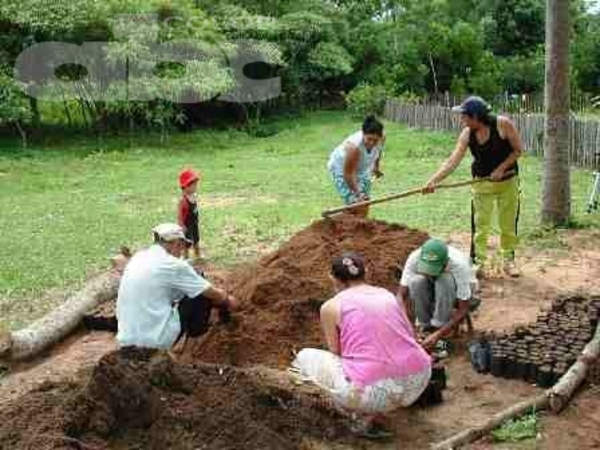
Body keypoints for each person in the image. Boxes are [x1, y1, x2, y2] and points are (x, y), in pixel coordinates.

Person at [291, 252, 431, 438]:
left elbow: (336, 351)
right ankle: (376, 410)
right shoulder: (387, 295)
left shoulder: (330, 307)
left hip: (373, 394)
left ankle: (356, 416)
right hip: (418, 379)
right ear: (367, 272)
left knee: (305, 356)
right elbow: (409, 334)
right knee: (379, 360)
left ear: (332, 278)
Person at [423, 96, 524, 277]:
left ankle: (509, 260)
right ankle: (479, 263)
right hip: (482, 183)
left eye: (465, 116)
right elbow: (452, 161)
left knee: (507, 224)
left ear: (476, 116)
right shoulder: (467, 134)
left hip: (508, 182)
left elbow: (518, 150)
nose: (462, 120)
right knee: (480, 225)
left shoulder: (503, 125)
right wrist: (433, 181)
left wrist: (501, 168)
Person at [116, 223, 237, 351]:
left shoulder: (138, 257)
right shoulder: (173, 265)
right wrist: (227, 299)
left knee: (191, 286)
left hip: (127, 339)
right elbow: (209, 292)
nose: (181, 253)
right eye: (182, 248)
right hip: (155, 341)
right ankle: (198, 334)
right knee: (200, 292)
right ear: (177, 243)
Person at [398, 238, 476, 351]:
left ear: (445, 263)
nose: (429, 273)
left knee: (445, 280)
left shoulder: (459, 265)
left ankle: (440, 327)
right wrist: (409, 326)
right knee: (416, 281)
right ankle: (425, 327)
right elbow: (400, 296)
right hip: (430, 286)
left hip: (455, 290)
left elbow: (464, 308)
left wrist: (439, 334)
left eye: (433, 269)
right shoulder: (415, 258)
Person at [327, 116, 386, 217]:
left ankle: (360, 224)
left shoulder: (382, 139)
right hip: (341, 170)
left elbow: (378, 151)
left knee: (365, 202)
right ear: (363, 134)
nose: (372, 143)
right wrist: (358, 194)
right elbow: (348, 174)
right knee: (356, 203)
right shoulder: (354, 147)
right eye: (369, 139)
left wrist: (376, 167)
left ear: (380, 137)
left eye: (375, 140)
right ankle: (335, 221)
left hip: (361, 169)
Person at [178, 168, 202, 260]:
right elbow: (179, 215)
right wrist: (181, 225)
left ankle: (198, 254)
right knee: (186, 243)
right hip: (186, 225)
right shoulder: (182, 200)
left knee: (196, 239)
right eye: (193, 185)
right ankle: (185, 257)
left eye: (196, 185)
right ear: (186, 186)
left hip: (194, 223)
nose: (196, 187)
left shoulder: (193, 196)